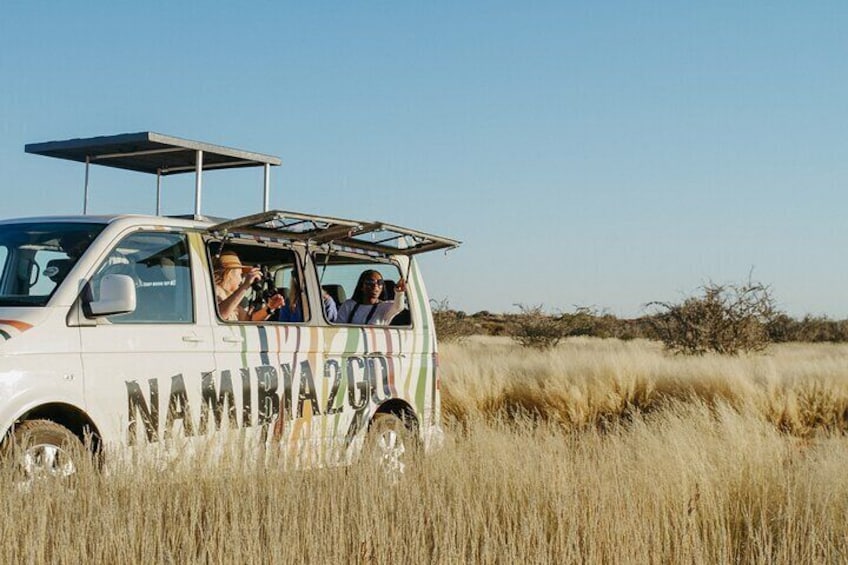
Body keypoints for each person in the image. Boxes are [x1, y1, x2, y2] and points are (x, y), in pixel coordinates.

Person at [213, 251, 283, 322]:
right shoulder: (215, 290)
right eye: (240, 274)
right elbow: (220, 315)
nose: (241, 279)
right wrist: (245, 285)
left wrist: (269, 308)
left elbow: (250, 319)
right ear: (230, 274)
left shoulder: (229, 298)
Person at [335, 270, 406, 325]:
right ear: (361, 286)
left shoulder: (385, 307)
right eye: (370, 282)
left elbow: (398, 307)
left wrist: (399, 292)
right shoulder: (348, 305)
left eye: (380, 282)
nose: (375, 286)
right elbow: (339, 327)